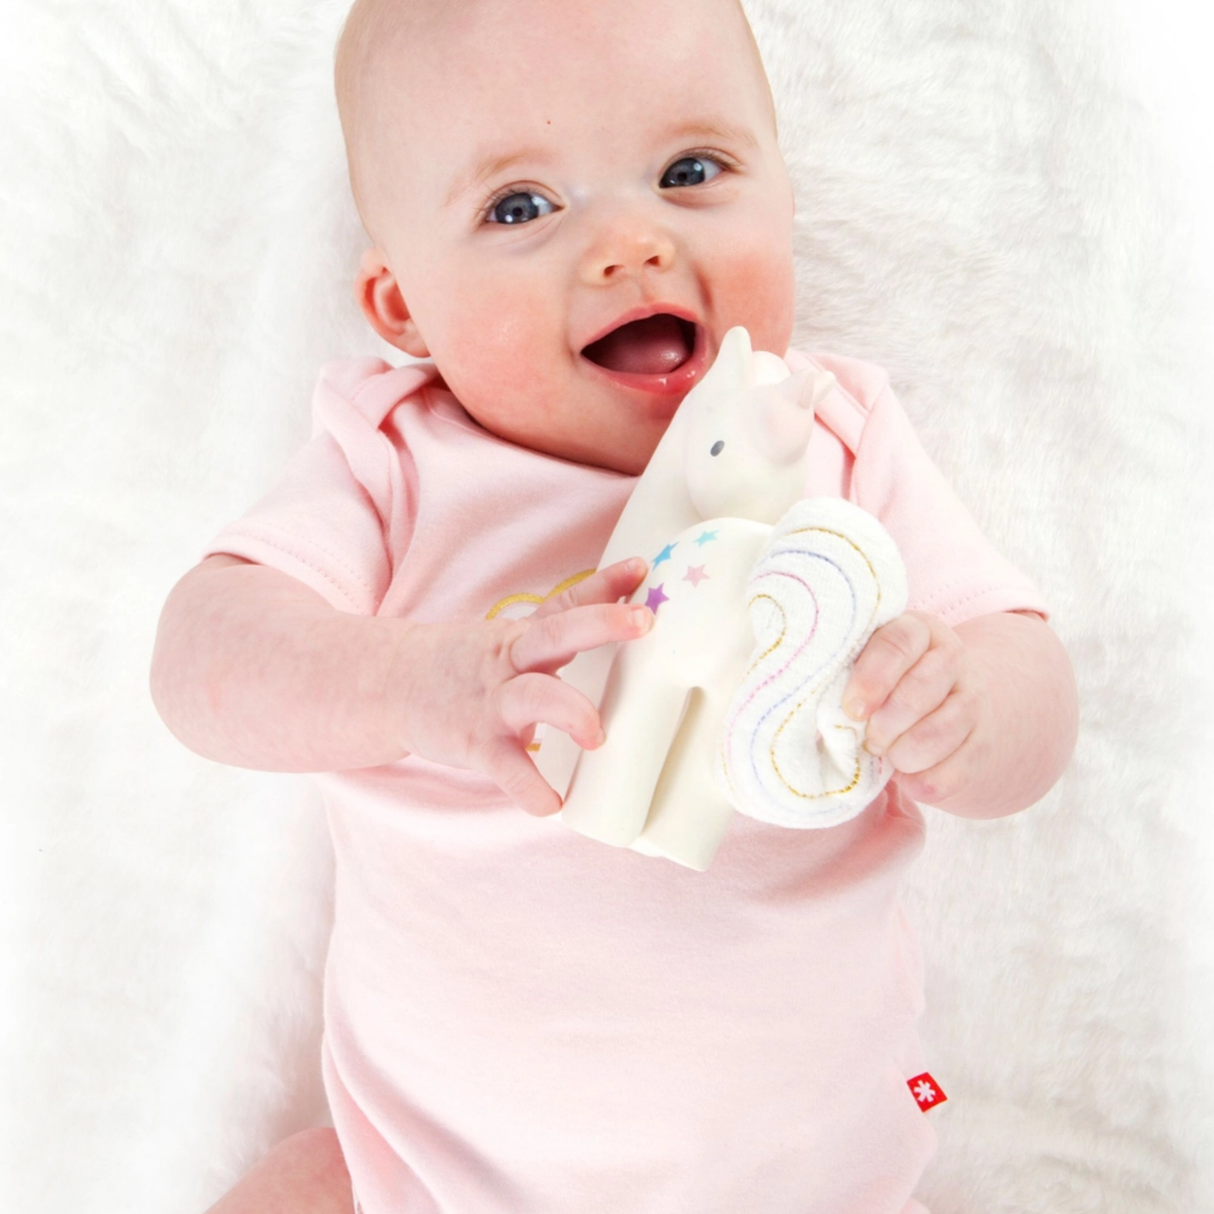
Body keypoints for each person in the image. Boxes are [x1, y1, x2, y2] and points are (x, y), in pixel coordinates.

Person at [150, 0, 1079, 1209]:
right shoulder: (398, 457)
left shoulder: (830, 435)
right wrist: (421, 684)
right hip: (427, 1165)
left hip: (800, 1166)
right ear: (403, 309)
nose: (629, 242)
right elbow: (201, 662)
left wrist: (961, 703)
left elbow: (1028, 675)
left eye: (688, 171)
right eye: (519, 207)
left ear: (784, 199)